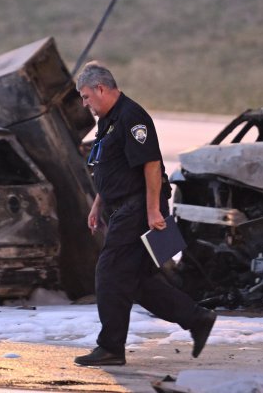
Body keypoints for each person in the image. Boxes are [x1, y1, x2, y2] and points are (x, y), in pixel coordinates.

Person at [73, 62, 216, 367]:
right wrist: (98, 204)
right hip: (121, 207)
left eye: (85, 97)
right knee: (134, 280)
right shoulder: (108, 120)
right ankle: (197, 319)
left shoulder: (131, 117)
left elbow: (150, 164)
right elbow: (111, 167)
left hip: (138, 207)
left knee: (109, 271)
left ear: (100, 88)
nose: (85, 104)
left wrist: (152, 211)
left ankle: (111, 348)